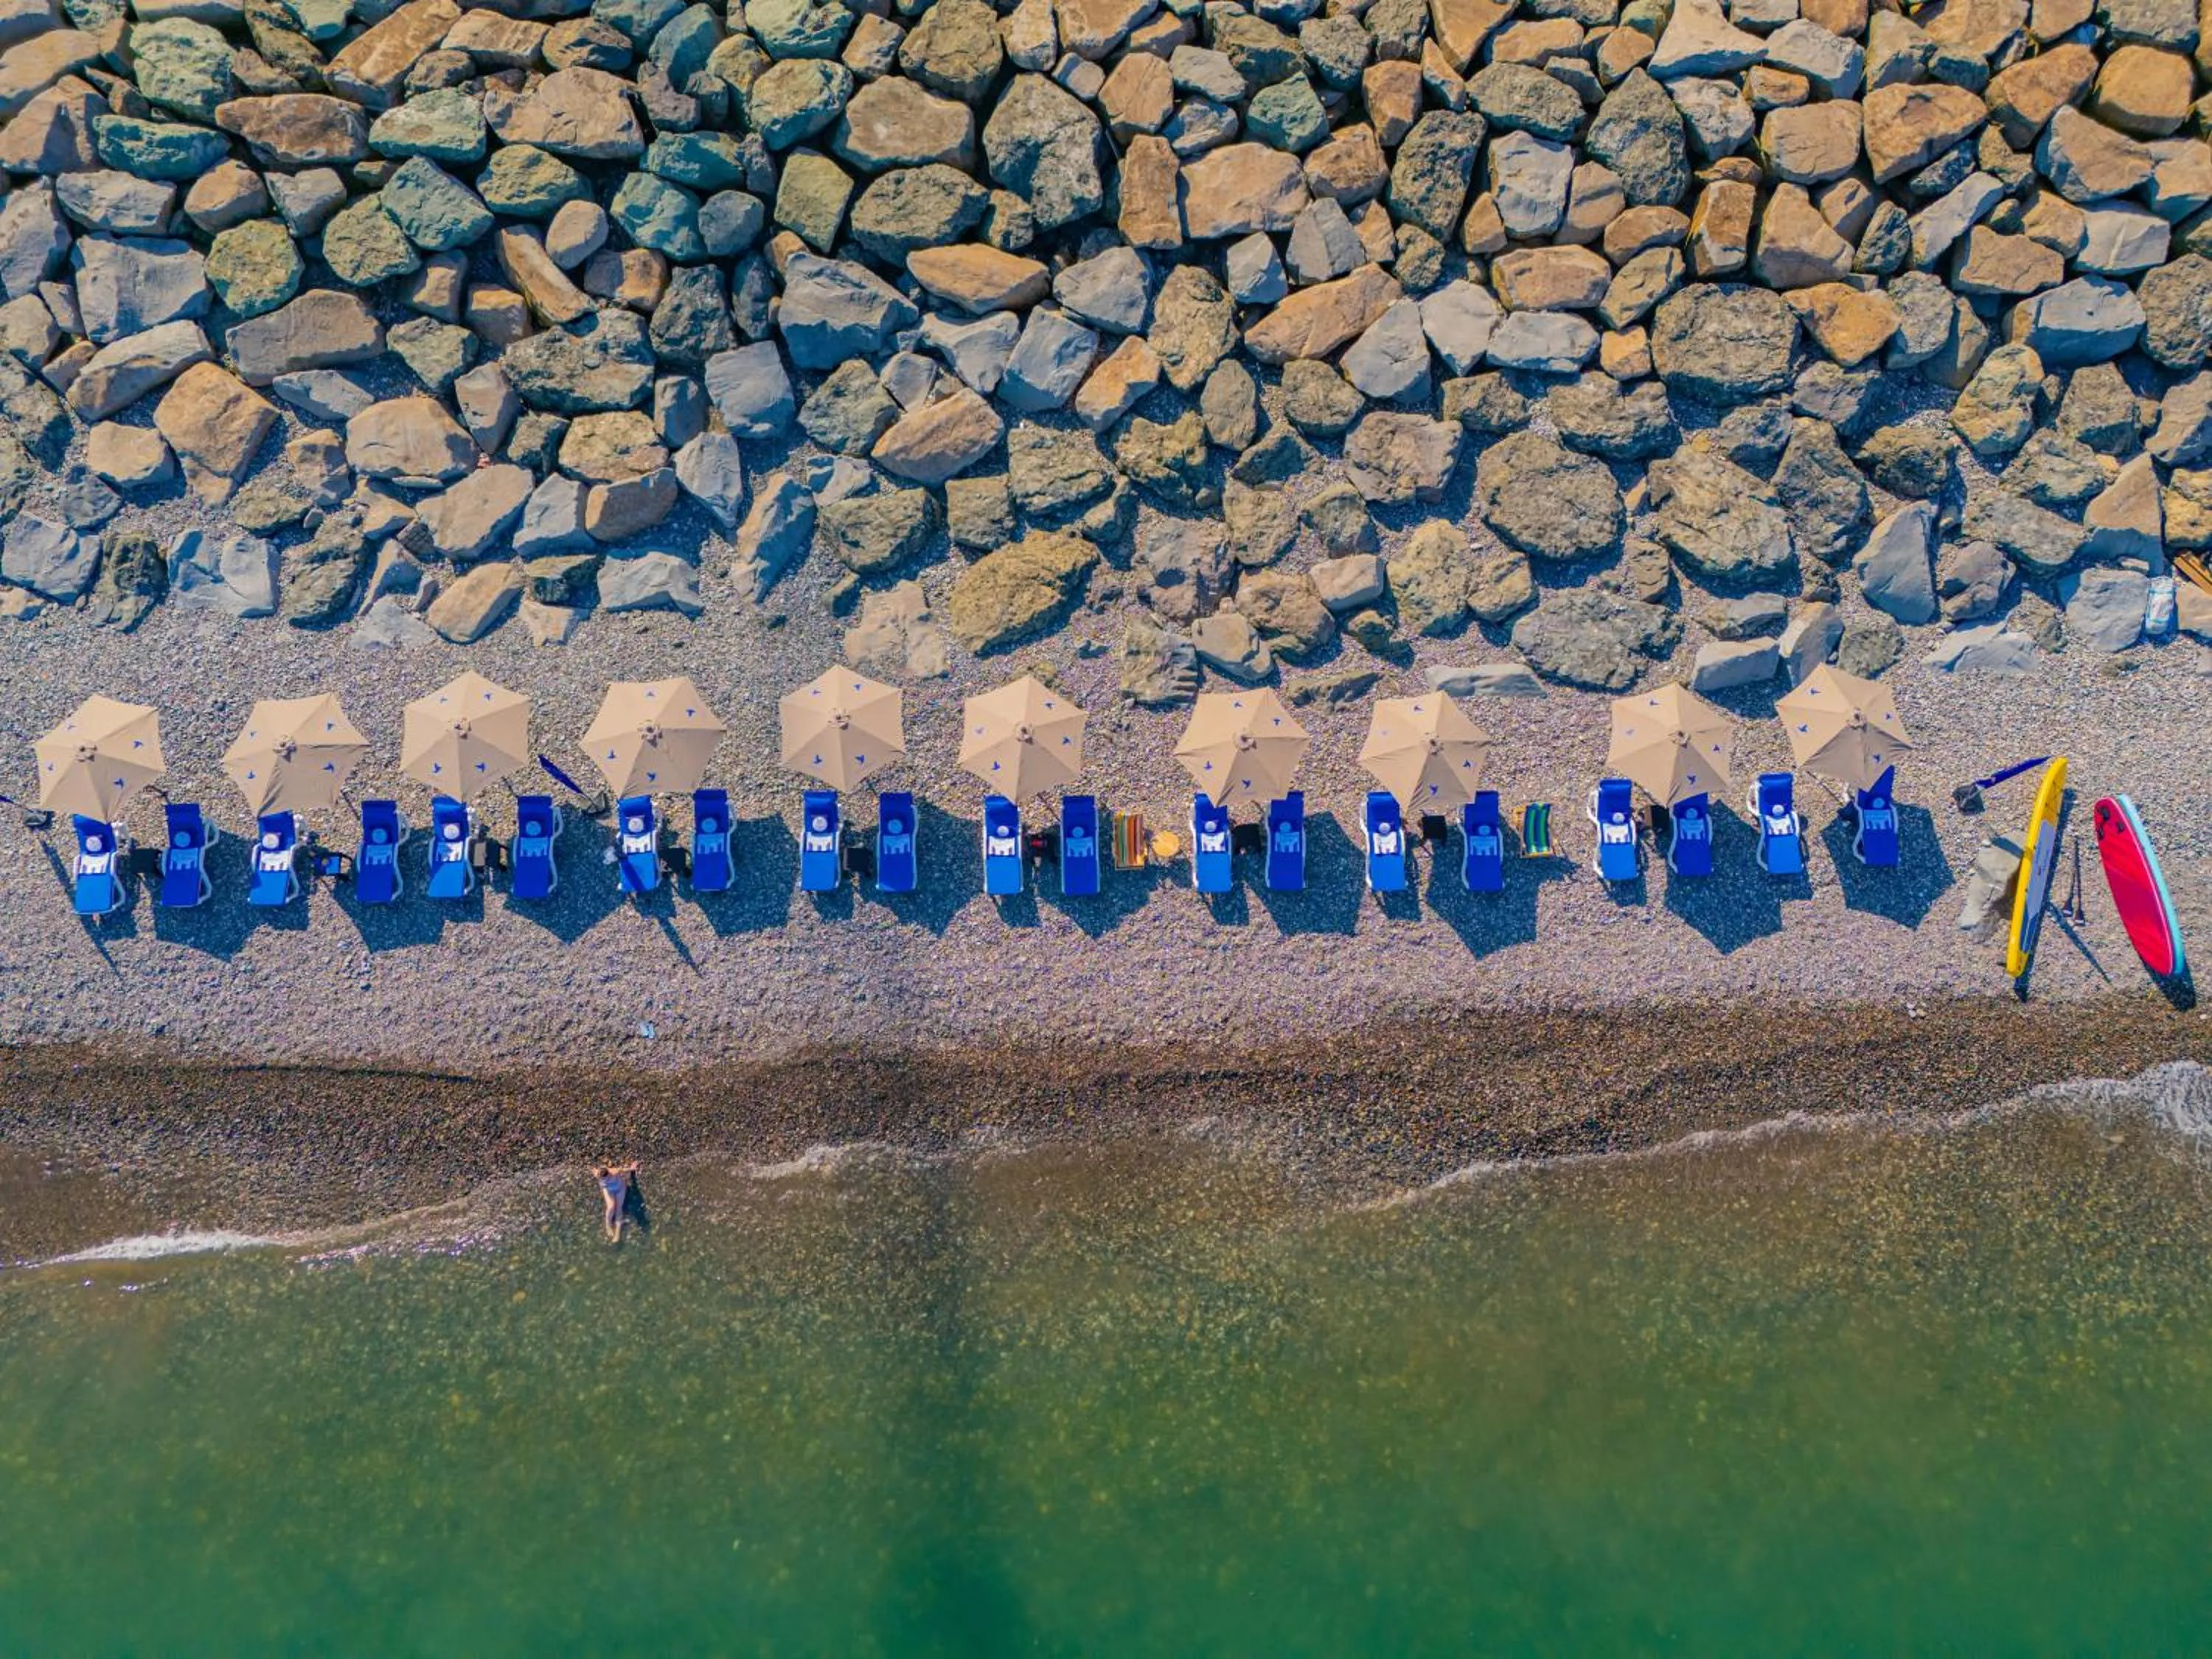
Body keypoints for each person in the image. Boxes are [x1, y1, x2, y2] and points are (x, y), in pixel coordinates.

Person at [593, 1163, 639, 1242]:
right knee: (611, 1207)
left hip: (620, 1188)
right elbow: (594, 1171)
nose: (605, 1180)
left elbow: (623, 1169)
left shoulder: (614, 1172)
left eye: (606, 1179)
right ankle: (608, 1224)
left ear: (609, 1174)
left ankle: (617, 1233)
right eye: (603, 1179)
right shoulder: (599, 1174)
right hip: (609, 1190)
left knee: (618, 1208)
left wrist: (632, 1169)